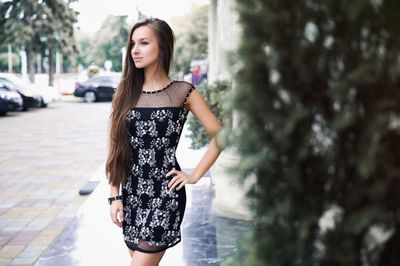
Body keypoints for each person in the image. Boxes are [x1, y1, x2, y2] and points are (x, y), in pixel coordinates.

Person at [105, 18, 222, 266]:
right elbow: (116, 148)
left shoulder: (183, 91)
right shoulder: (125, 92)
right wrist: (115, 196)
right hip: (133, 193)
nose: (135, 50)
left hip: (166, 194)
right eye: (133, 43)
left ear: (163, 47)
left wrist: (194, 175)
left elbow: (220, 135)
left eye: (144, 43)